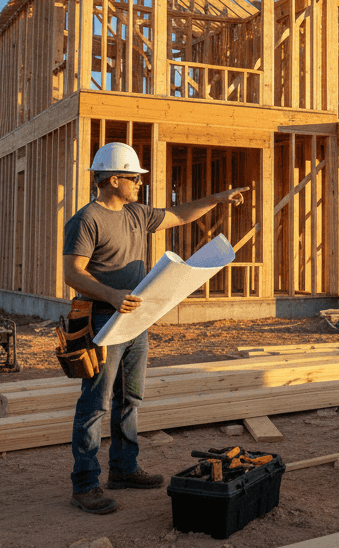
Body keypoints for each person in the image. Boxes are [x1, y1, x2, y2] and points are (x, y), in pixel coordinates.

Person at [62, 142, 248, 514]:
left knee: (131, 399)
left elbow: (179, 215)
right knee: (95, 404)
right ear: (113, 180)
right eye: (133, 179)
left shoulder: (136, 213)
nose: (139, 185)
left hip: (136, 320)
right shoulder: (87, 220)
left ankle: (124, 470)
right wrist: (112, 295)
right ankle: (84, 485)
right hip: (103, 319)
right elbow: (72, 273)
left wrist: (218, 198)